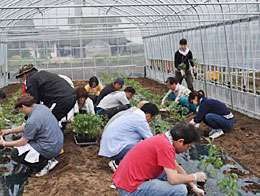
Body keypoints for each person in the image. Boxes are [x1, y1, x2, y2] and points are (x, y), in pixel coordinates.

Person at [112, 122, 206, 196]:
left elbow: (176, 167)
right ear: (180, 141)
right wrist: (194, 176)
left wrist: (193, 187)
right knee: (180, 190)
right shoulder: (166, 147)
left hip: (123, 182)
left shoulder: (165, 140)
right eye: (188, 146)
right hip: (130, 189)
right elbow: (173, 179)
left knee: (172, 174)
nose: (187, 149)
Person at [0, 93, 64, 177]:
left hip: (50, 147)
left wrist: (4, 143)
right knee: (29, 142)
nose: (21, 112)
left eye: (20, 109)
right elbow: (25, 127)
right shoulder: (41, 108)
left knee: (15, 154)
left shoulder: (33, 120)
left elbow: (22, 142)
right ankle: (44, 158)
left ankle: (45, 164)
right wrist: (9, 131)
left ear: (24, 107)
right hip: (57, 143)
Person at [98, 103, 159, 172]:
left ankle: (121, 160)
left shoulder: (133, 114)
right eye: (152, 118)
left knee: (141, 144)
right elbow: (151, 140)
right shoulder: (140, 120)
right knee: (142, 148)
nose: (151, 121)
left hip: (110, 145)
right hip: (115, 148)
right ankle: (118, 162)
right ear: (148, 115)